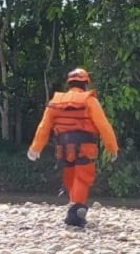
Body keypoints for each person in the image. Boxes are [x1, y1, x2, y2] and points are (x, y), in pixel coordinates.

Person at [27, 68, 118, 227]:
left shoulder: (56, 101)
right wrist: (112, 148)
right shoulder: (90, 100)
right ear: (85, 83)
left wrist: (35, 148)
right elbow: (104, 126)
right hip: (85, 147)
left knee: (70, 177)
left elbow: (44, 126)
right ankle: (76, 212)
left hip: (63, 148)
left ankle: (74, 207)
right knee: (82, 178)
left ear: (69, 83)